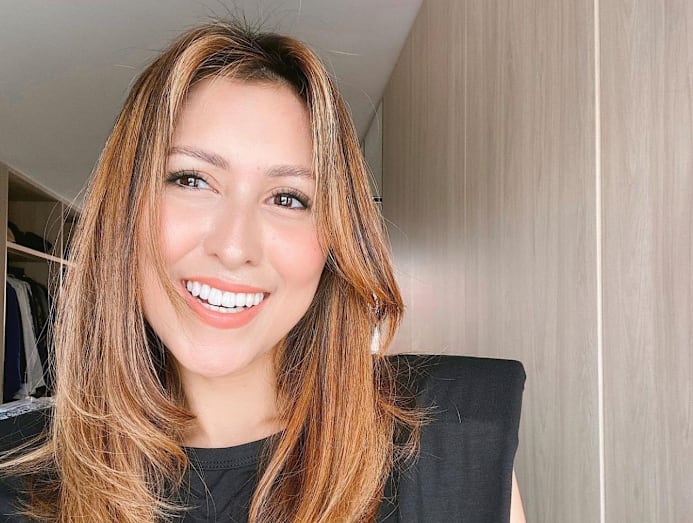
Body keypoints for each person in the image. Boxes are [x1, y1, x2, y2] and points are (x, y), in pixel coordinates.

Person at [0, 20, 526, 522]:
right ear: (124, 208)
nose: (234, 247)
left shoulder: (455, 434)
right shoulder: (13, 477)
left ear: (336, 240)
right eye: (192, 180)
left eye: (288, 198)